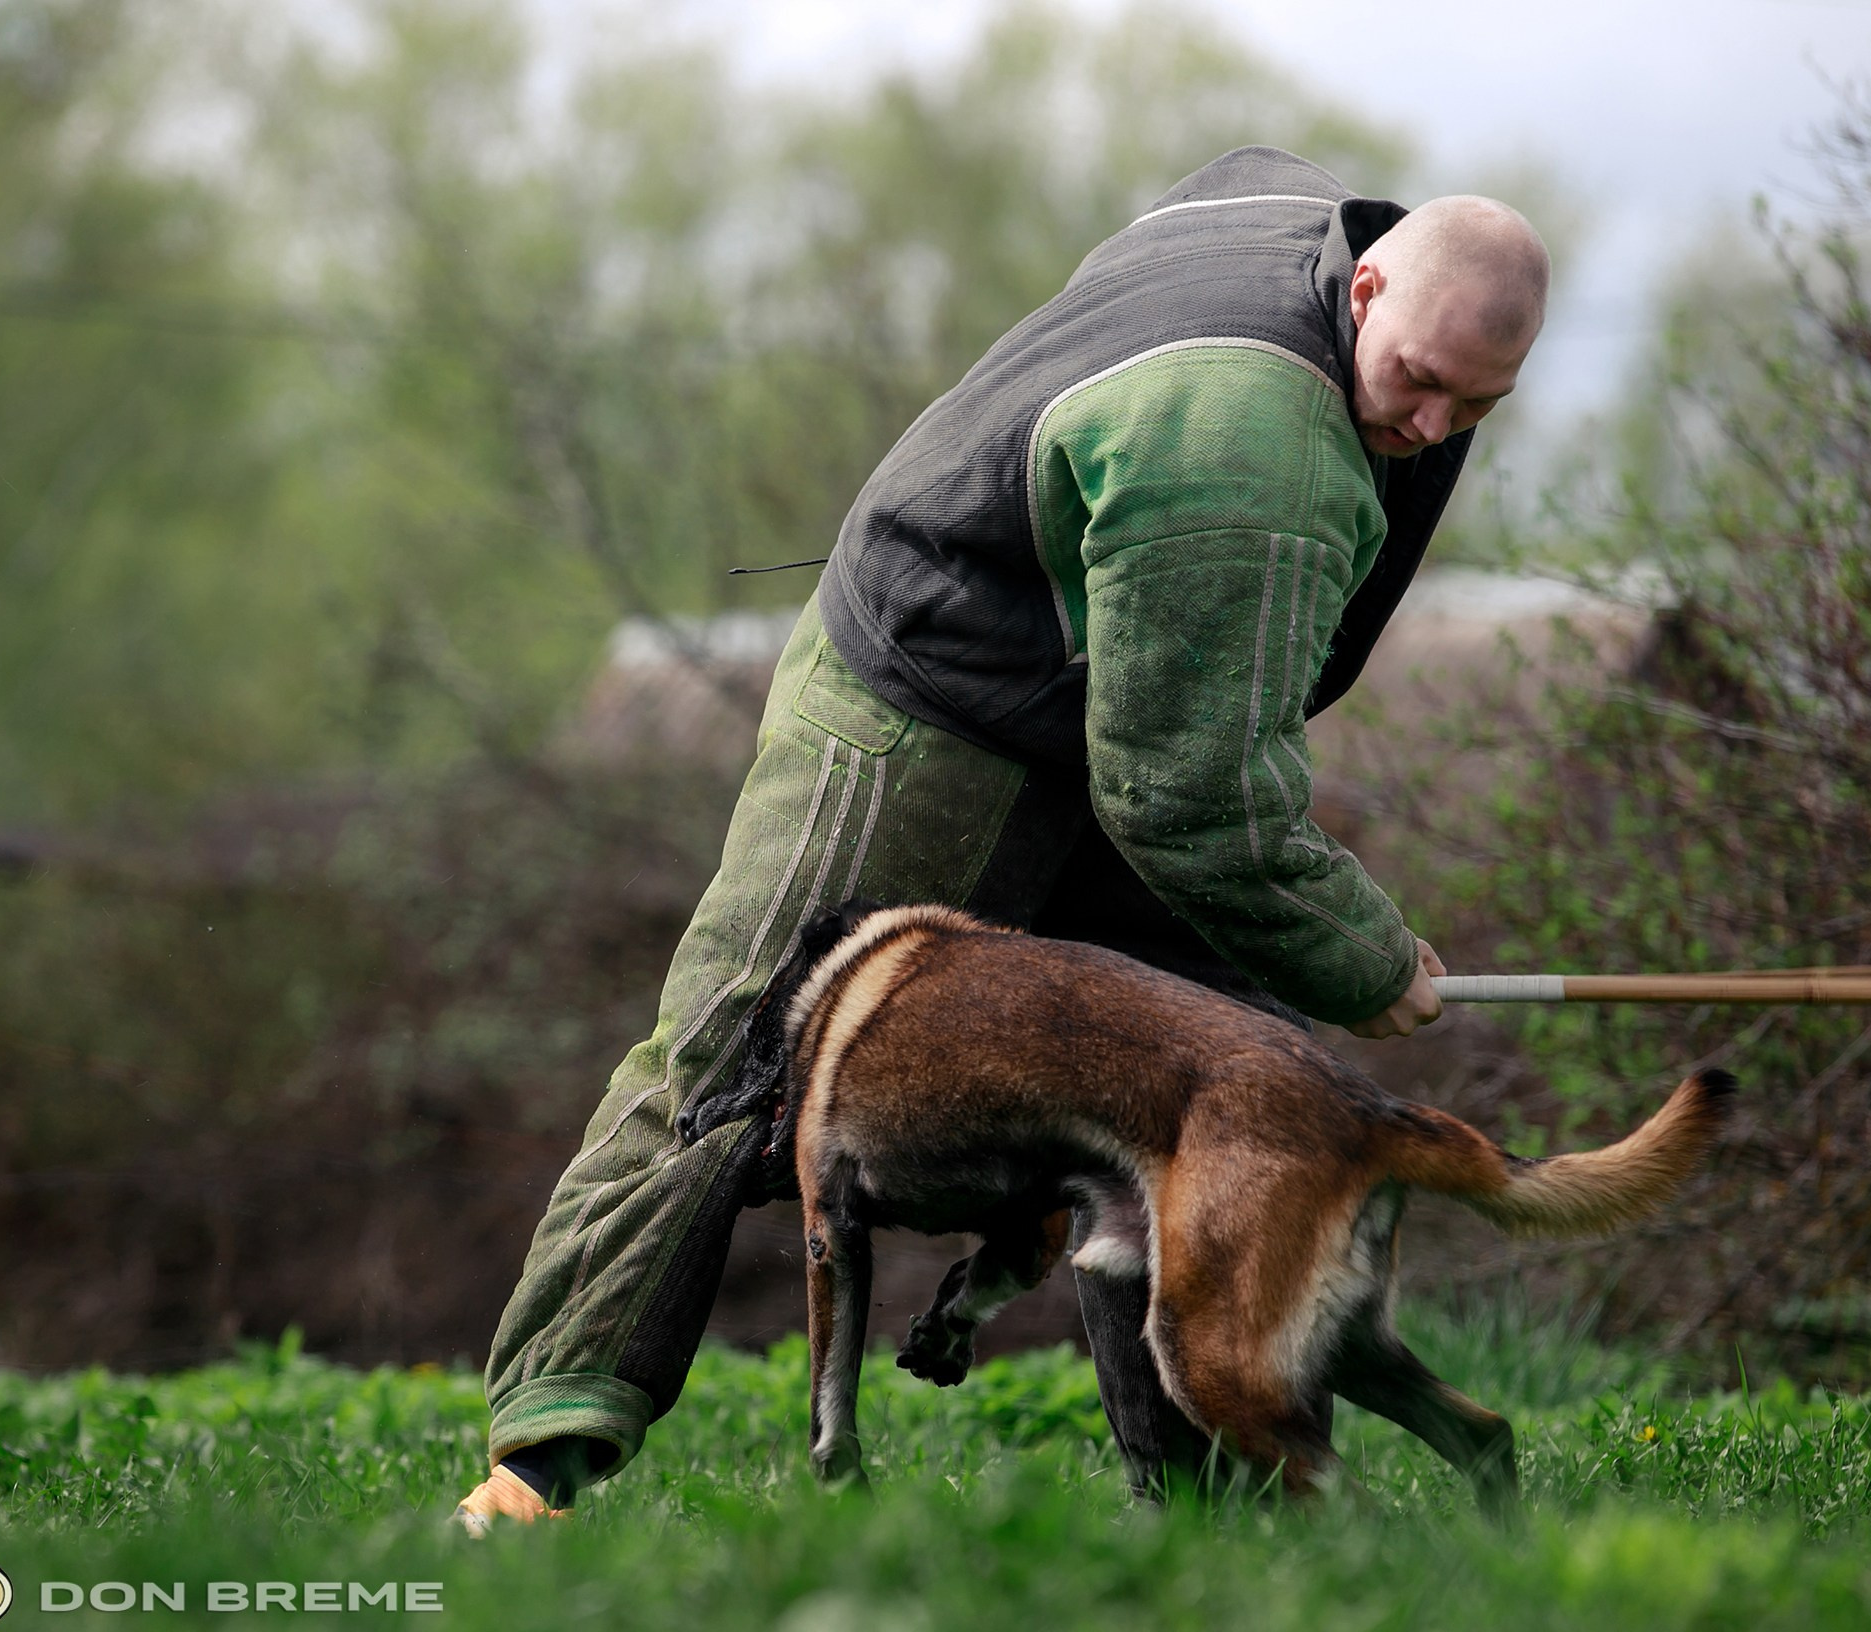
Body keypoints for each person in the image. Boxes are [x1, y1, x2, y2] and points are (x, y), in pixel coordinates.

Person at [456, 145, 1549, 1529]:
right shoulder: (1244, 437)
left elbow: (1226, 171)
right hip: (931, 695)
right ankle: (540, 1462)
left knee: (1236, 1087)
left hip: (1113, 700)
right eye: (1418, 379)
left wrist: (1308, 965)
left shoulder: (1298, 227)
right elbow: (1195, 799)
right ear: (1368, 284)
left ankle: (1223, 1501)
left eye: (1479, 403)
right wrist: (1367, 956)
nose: (1436, 424)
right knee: (734, 1065)